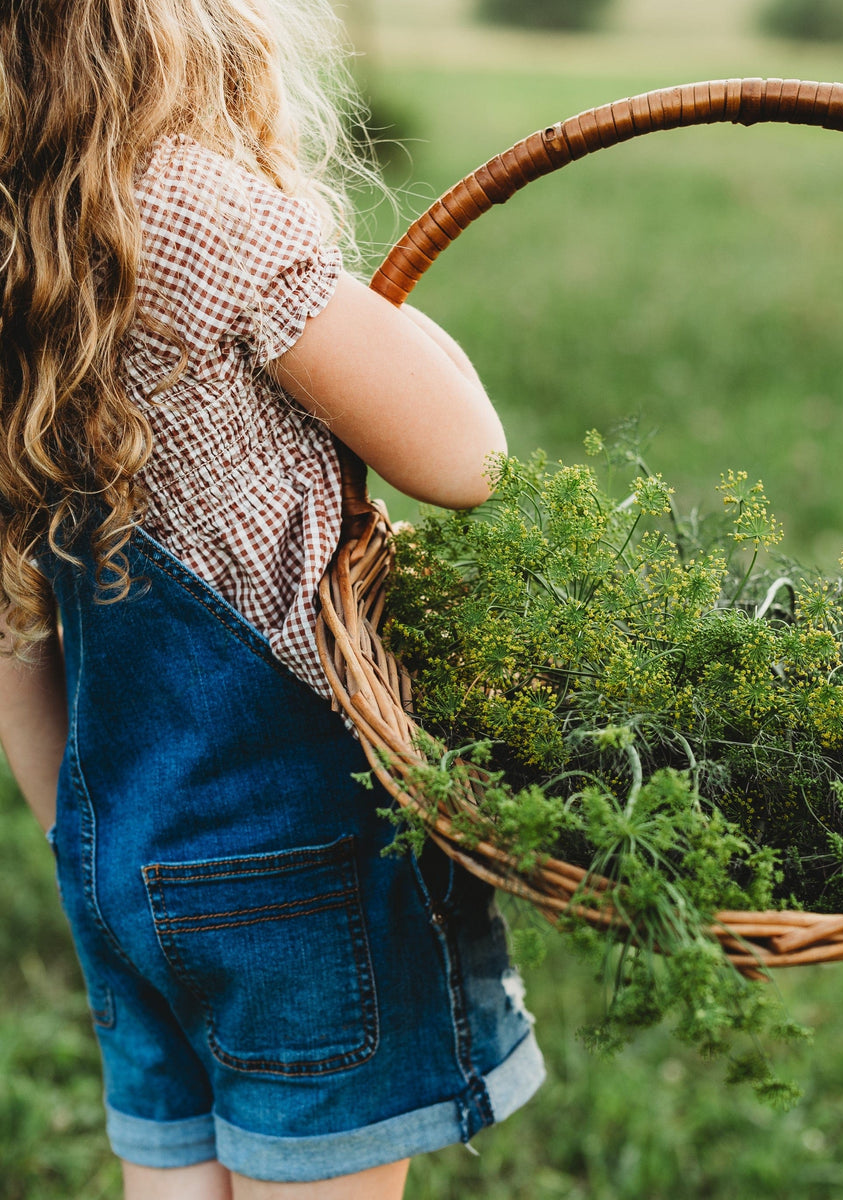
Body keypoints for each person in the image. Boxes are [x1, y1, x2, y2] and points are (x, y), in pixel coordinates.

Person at [0, 1, 544, 1196]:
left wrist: (83, 845)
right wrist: (353, 301)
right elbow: (469, 461)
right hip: (298, 864)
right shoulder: (195, 208)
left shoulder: (25, 251)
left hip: (123, 864)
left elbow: (14, 637)